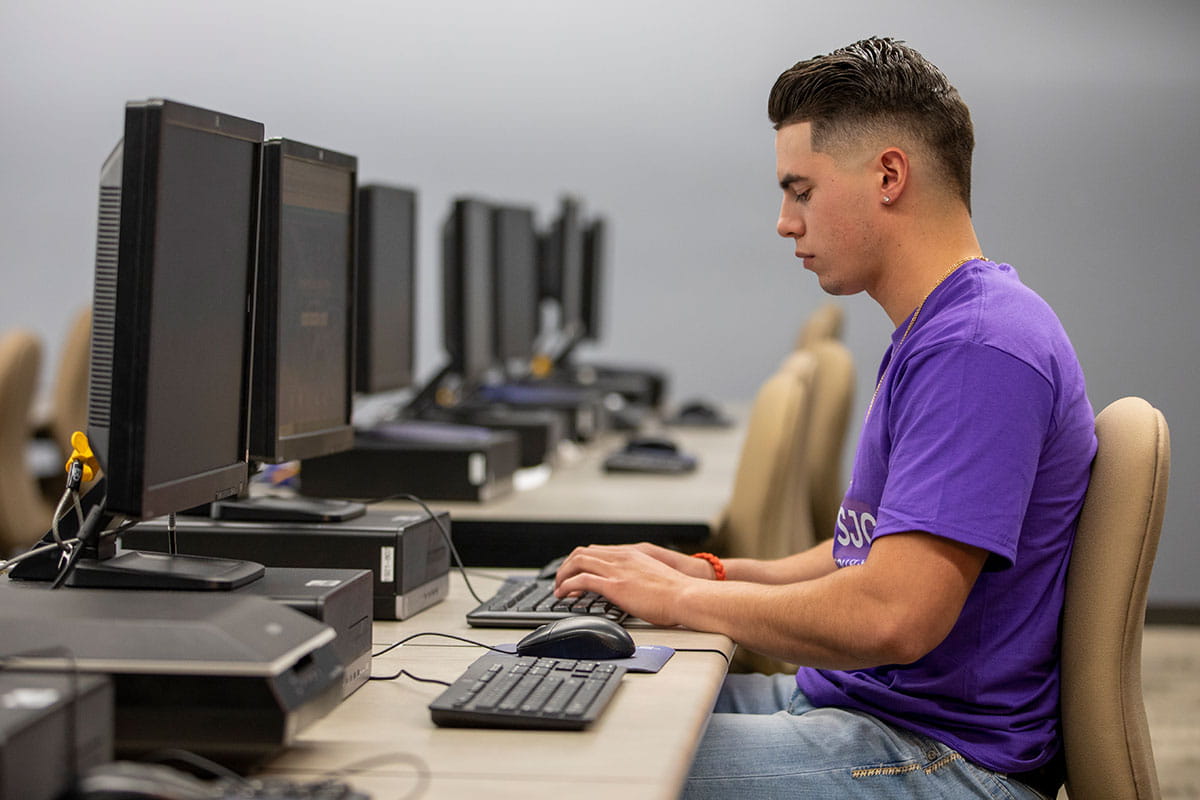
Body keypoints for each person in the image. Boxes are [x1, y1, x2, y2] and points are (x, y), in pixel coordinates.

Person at [553, 37, 1096, 799]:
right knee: (570, 706)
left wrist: (681, 602)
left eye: (800, 190)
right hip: (868, 706)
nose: (784, 221)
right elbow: (864, 554)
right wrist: (710, 571)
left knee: (573, 768)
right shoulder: (940, 329)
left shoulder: (980, 348)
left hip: (945, 759)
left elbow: (892, 614)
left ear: (888, 175)